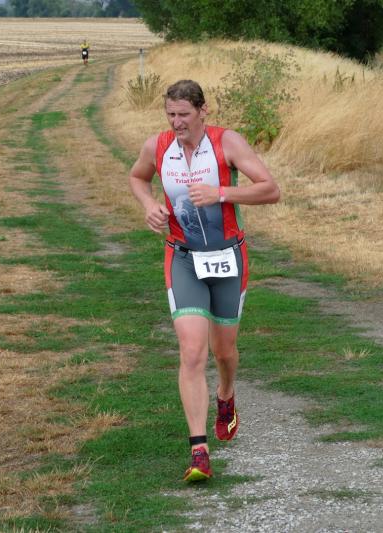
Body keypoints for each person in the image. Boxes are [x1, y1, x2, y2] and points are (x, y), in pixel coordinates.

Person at [128, 79, 280, 482]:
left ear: (203, 111)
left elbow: (270, 190)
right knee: (192, 352)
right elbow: (138, 177)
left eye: (184, 114)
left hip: (228, 258)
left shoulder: (226, 143)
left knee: (223, 351)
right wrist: (149, 204)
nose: (176, 122)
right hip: (183, 258)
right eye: (170, 114)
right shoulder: (157, 147)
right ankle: (199, 451)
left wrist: (221, 193)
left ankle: (226, 394)